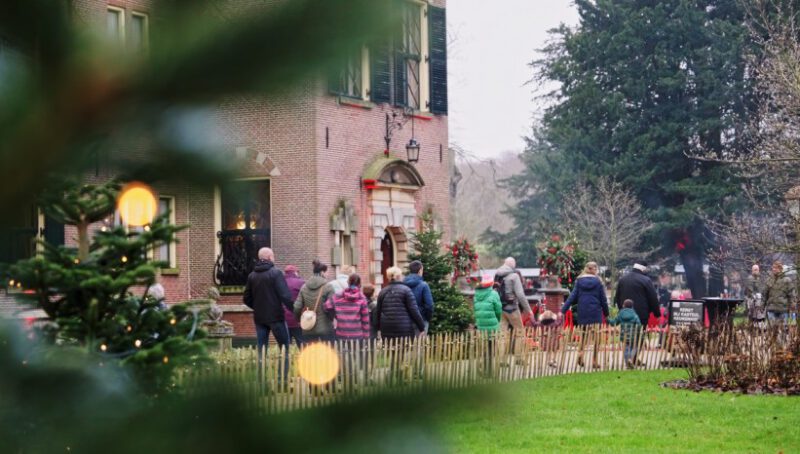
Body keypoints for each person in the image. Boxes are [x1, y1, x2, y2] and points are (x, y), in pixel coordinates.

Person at [243, 247, 293, 374]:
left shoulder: (252, 276)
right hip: (276, 317)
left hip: (260, 318)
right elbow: (285, 296)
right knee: (284, 348)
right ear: (270, 257)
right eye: (273, 256)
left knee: (262, 350)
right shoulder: (276, 273)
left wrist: (258, 307)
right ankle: (282, 380)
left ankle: (261, 381)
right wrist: (295, 310)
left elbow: (246, 298)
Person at [561, 262, 608, 369]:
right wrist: (606, 313)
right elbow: (603, 299)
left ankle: (580, 354)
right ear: (595, 270)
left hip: (583, 311)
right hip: (595, 311)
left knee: (583, 334)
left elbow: (572, 297)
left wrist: (562, 310)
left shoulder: (579, 281)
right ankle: (594, 361)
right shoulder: (598, 282)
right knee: (596, 336)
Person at [494, 257, 533, 360]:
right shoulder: (514, 276)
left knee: (502, 334)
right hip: (512, 309)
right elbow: (520, 295)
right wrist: (529, 310)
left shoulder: (497, 274)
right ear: (512, 265)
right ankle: (518, 358)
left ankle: (501, 359)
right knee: (519, 332)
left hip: (500, 308)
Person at [375, 267, 426, 339]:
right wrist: (421, 327)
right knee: (404, 348)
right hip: (404, 327)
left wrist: (378, 328)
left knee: (390, 348)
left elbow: (378, 312)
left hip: (386, 327)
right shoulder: (406, 290)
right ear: (399, 276)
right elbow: (414, 310)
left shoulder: (383, 291)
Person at [293, 259, 336, 343]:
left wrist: (299, 319)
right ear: (322, 272)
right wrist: (331, 318)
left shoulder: (304, 287)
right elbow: (332, 307)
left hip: (309, 327)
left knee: (311, 354)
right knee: (327, 353)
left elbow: (297, 307)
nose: (327, 274)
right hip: (325, 328)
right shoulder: (328, 287)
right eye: (327, 272)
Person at [324, 274, 370, 340]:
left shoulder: (338, 296)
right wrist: (366, 336)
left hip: (341, 334)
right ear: (359, 284)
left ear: (348, 283)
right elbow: (365, 320)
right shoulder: (362, 298)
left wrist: (336, 315)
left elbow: (326, 306)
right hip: (357, 336)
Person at [473, 273, 502, 377]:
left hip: (481, 326)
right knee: (491, 350)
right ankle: (488, 371)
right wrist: (497, 321)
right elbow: (498, 311)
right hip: (492, 327)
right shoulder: (494, 294)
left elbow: (475, 310)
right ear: (491, 283)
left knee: (485, 349)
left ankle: (484, 368)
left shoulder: (476, 295)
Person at [614, 261, 660, 326]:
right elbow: (653, 298)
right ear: (643, 269)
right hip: (641, 315)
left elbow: (617, 297)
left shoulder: (622, 280)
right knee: (640, 334)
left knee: (625, 334)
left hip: (624, 314)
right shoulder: (646, 280)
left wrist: (621, 310)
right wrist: (657, 314)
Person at [607, 299, 643, 369]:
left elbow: (613, 322)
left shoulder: (621, 314)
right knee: (634, 348)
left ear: (623, 305)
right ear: (632, 306)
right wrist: (639, 333)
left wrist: (608, 319)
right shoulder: (634, 314)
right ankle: (631, 359)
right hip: (633, 336)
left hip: (624, 335)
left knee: (626, 349)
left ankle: (627, 364)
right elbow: (639, 325)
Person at [403, 260, 434, 333]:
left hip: (405, 320)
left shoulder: (403, 284)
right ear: (420, 271)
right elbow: (429, 305)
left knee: (407, 343)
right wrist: (427, 318)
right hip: (421, 319)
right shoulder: (424, 285)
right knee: (420, 343)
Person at [764, 261, 794, 325]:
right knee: (772, 331)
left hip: (783, 309)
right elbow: (765, 294)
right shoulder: (769, 280)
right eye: (773, 268)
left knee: (783, 330)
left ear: (780, 269)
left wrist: (792, 306)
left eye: (776, 268)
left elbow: (791, 294)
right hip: (771, 309)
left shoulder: (787, 280)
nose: (774, 269)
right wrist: (762, 306)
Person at [283, 264, 305, 347]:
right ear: (295, 272)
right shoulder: (301, 283)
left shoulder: (280, 282)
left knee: (285, 346)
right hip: (297, 320)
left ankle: (286, 360)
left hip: (283, 320)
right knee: (302, 345)